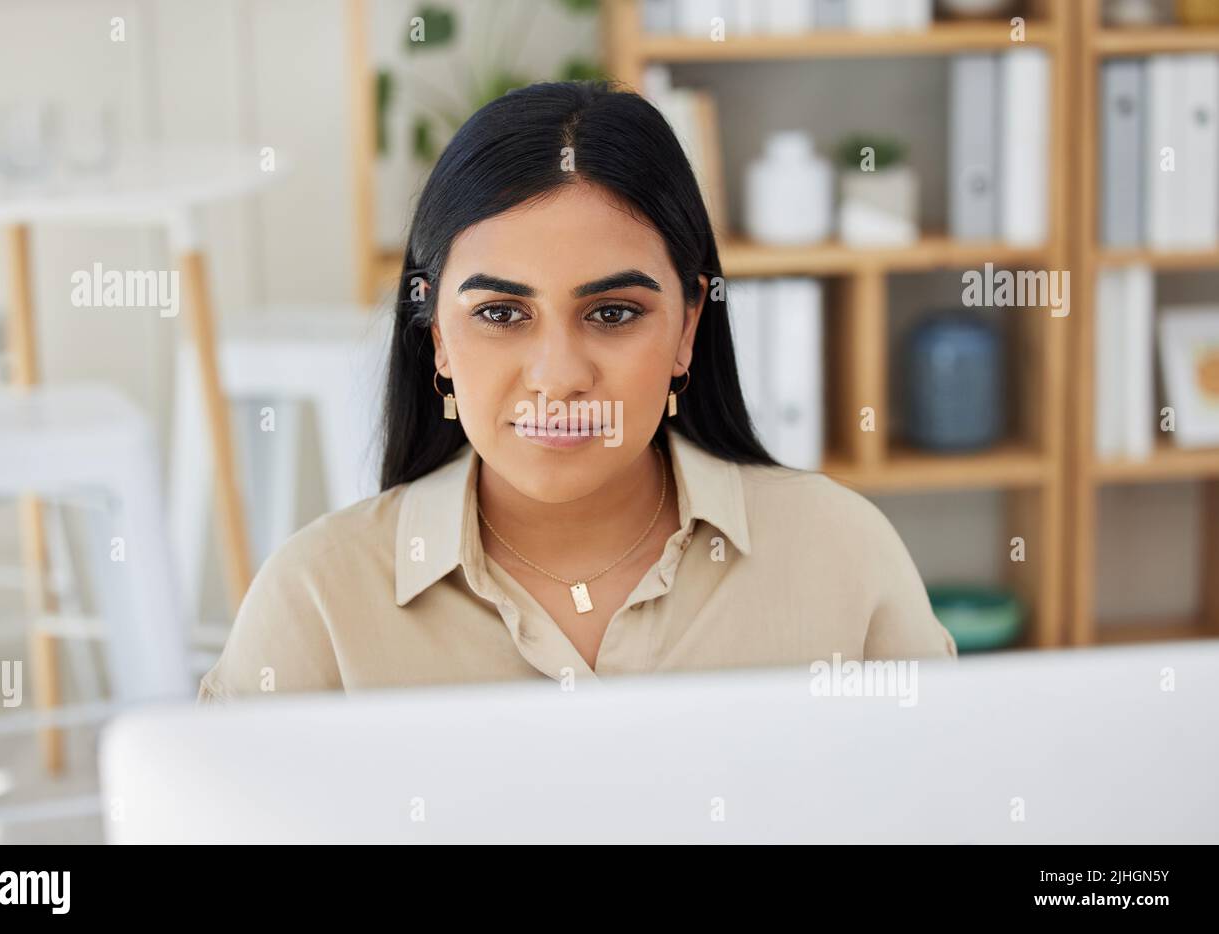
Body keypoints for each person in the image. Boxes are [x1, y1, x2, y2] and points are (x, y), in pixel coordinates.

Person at [198, 80, 955, 703]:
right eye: (500, 314)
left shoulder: (840, 556)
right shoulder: (317, 601)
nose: (558, 376)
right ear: (436, 337)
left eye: (613, 313)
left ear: (689, 325)